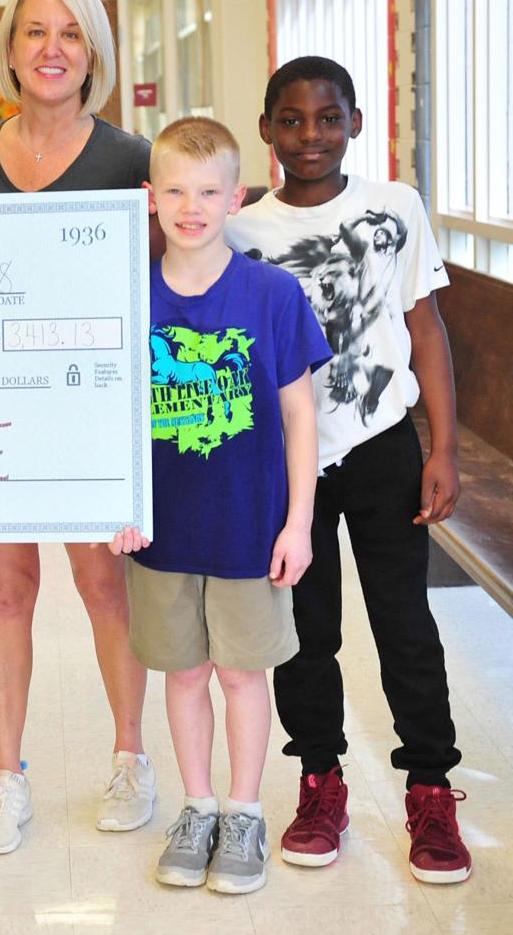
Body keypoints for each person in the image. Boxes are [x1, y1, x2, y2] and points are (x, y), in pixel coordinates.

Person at [226, 55, 471, 884]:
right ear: (267, 130)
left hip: (383, 448)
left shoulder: (393, 209)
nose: (310, 136)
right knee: (307, 634)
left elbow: (426, 328)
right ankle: (320, 781)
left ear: (355, 124)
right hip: (288, 464)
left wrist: (443, 448)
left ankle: (431, 790)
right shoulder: (242, 231)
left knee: (406, 624)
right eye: (291, 121)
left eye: (328, 118)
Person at [0, 0, 162, 855]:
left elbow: (159, 288)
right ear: (10, 49)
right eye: (35, 32)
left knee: (103, 586)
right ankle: (8, 775)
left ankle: (130, 757)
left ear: (93, 53)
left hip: (89, 414)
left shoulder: (131, 157)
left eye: (70, 33)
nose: (51, 49)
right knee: (5, 591)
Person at [113, 115, 329, 894]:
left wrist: (298, 522)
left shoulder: (272, 293)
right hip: (160, 532)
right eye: (174, 189)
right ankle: (196, 805)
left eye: (208, 191)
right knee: (183, 672)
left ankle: (244, 812)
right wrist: (118, 501)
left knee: (241, 675)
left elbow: (301, 413)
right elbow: (109, 414)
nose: (192, 206)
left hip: (250, 527)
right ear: (150, 198)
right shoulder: (129, 298)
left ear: (236, 195)